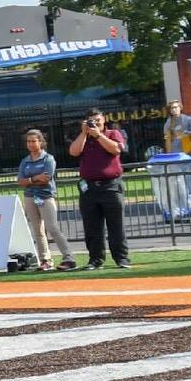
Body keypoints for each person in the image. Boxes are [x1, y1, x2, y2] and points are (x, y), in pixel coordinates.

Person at [68, 109, 131, 270]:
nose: (95, 123)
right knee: (92, 227)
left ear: (104, 119)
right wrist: (84, 133)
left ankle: (121, 258)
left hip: (110, 186)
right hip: (89, 188)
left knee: (116, 225)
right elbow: (74, 152)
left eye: (97, 119)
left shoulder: (112, 133)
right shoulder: (84, 137)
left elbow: (116, 149)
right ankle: (95, 259)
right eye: (91, 121)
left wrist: (98, 135)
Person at [16, 129, 77, 271]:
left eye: (33, 141)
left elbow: (46, 178)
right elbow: (20, 181)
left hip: (46, 196)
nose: (31, 144)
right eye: (28, 141)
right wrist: (35, 179)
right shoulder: (25, 161)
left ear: (41, 142)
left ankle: (69, 258)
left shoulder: (48, 158)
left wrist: (30, 180)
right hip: (30, 197)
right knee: (37, 230)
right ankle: (45, 260)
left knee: (52, 228)